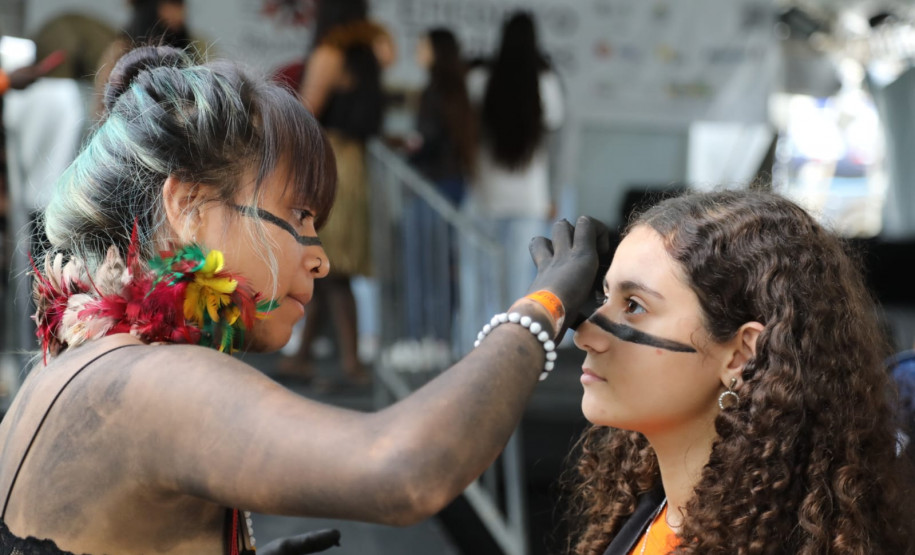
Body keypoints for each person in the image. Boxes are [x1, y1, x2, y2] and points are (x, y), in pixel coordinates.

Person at [0, 45, 607, 555]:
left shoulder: (84, 364)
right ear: (188, 206)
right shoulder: (151, 379)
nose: (320, 256)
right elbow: (404, 474)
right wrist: (540, 309)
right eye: (300, 214)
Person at [564, 191, 914, 554]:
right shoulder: (652, 514)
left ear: (742, 355)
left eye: (634, 305)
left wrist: (532, 318)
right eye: (605, 298)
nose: (587, 335)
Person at [282, 0, 394, 385]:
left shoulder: (331, 52)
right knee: (329, 269)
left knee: (331, 268)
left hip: (329, 161)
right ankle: (306, 356)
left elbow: (304, 111)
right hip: (353, 165)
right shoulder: (369, 54)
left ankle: (348, 363)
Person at [465, 11, 564, 304]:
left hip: (486, 193)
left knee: (481, 277)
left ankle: (479, 343)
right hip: (529, 196)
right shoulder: (546, 81)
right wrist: (554, 194)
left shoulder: (480, 79)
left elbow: (467, 133)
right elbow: (555, 137)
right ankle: (517, 340)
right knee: (522, 278)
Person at [400, 27, 476, 346]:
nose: (418, 51)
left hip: (432, 187)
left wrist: (408, 149)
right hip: (454, 184)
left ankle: (422, 338)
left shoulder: (435, 91)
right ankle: (442, 338)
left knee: (422, 265)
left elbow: (427, 139)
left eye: (422, 46)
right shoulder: (459, 88)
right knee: (443, 267)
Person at [94, 0, 203, 117]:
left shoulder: (192, 48)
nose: (181, 14)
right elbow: (102, 107)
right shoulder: (120, 50)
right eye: (173, 4)